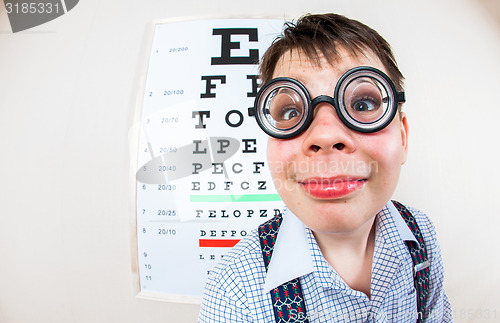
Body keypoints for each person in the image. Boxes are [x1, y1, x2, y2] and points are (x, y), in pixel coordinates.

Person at [198, 13, 452, 322]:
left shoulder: (422, 235)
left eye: (362, 105)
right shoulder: (234, 290)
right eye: (291, 111)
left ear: (402, 137)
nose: (326, 135)